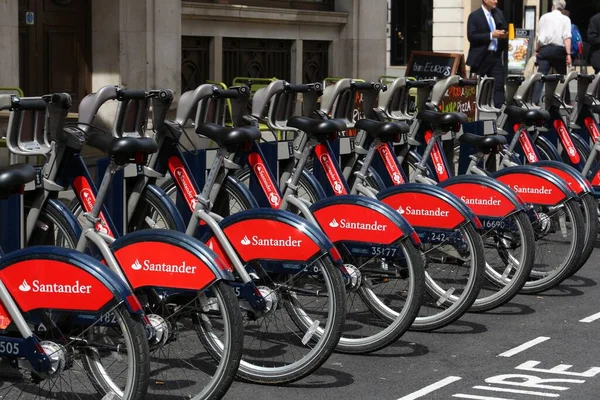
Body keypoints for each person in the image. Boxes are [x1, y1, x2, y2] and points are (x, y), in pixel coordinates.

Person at [466, 0, 508, 109]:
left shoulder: (498, 14)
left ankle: (500, 111)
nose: (496, 1)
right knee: (476, 85)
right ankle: (472, 109)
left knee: (499, 84)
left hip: (495, 56)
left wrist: (504, 35)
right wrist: (491, 35)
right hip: (481, 57)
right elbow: (472, 36)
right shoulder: (474, 16)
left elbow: (505, 28)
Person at [532, 0, 571, 105]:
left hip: (544, 49)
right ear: (562, 8)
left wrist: (537, 50)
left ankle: (534, 101)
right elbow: (566, 37)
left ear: (553, 6)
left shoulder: (544, 17)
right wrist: (568, 54)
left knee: (541, 76)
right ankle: (566, 100)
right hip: (559, 50)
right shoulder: (565, 19)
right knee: (562, 76)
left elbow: (538, 36)